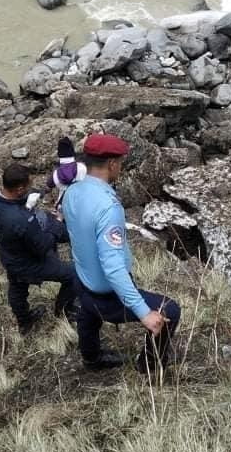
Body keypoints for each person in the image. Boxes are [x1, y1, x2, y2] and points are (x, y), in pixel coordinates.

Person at [62, 134, 181, 372]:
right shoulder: (108, 206)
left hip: (83, 278)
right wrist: (144, 313)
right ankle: (150, 366)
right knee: (170, 309)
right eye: (121, 162)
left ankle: (92, 358)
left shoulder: (72, 191)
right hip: (104, 293)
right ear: (112, 164)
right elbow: (113, 267)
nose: (121, 166)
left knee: (88, 314)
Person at [0, 163, 78, 334]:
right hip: (28, 261)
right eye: (27, 186)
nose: (30, 188)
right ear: (19, 189)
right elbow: (43, 247)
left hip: (9, 254)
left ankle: (25, 323)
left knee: (17, 286)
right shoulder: (22, 221)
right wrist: (57, 224)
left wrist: (24, 204)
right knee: (72, 275)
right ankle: (63, 311)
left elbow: (3, 214)